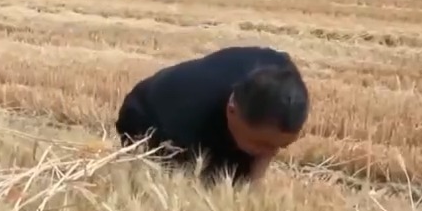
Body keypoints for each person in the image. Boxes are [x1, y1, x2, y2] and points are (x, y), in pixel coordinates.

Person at [115, 46, 309, 186]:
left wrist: (254, 184)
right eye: (262, 143)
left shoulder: (283, 74)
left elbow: (262, 156)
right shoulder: (186, 119)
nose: (270, 153)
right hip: (145, 114)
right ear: (232, 110)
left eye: (280, 146)